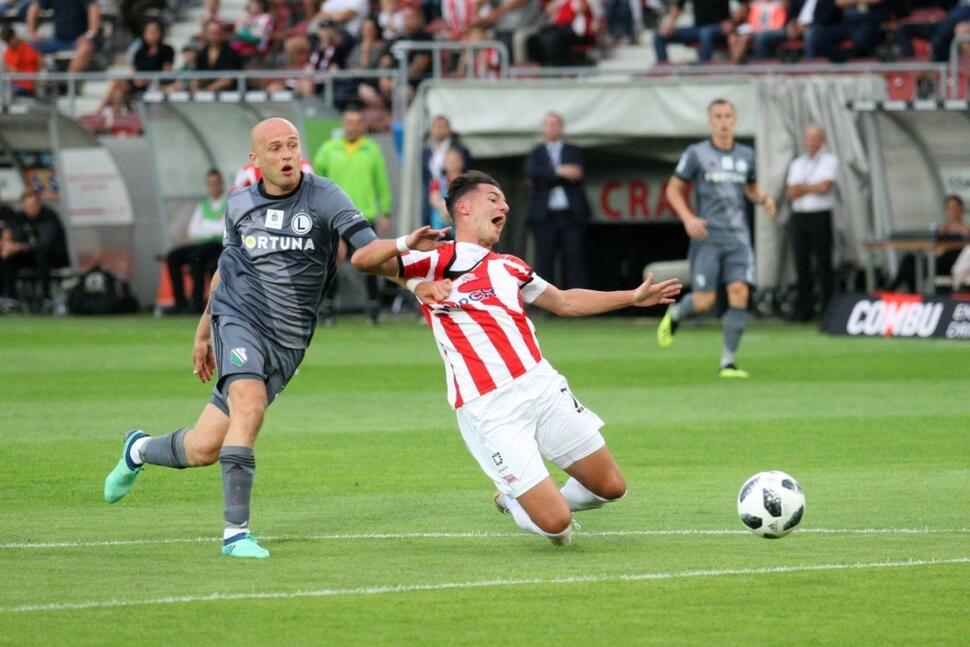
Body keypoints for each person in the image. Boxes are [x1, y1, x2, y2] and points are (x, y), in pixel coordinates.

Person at [102, 117, 448, 559]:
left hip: (289, 339)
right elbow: (226, 269)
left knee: (204, 447)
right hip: (239, 317)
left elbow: (367, 253)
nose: (287, 155)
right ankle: (235, 535)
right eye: (276, 148)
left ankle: (139, 449)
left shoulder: (325, 195)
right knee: (250, 406)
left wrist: (414, 280)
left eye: (292, 146)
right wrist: (204, 330)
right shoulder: (240, 203)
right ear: (256, 159)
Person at [366, 171, 681, 547]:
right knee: (557, 528)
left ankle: (526, 497)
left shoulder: (510, 266)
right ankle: (522, 502)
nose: (505, 206)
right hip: (490, 408)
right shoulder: (435, 260)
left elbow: (564, 301)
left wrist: (630, 298)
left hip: (542, 388)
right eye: (494, 199)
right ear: (463, 208)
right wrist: (408, 256)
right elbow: (363, 259)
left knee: (611, 487)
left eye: (504, 200)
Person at [657, 98, 777, 378]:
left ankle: (728, 362)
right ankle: (676, 315)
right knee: (704, 301)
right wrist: (688, 218)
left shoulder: (746, 155)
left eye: (727, 116)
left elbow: (750, 187)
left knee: (739, 293)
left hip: (738, 239)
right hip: (708, 237)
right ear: (711, 121)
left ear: (734, 120)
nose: (723, 121)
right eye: (718, 117)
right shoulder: (697, 153)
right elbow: (674, 189)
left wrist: (764, 198)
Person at [312, 108, 393, 324]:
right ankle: (328, 309)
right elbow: (317, 182)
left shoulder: (371, 150)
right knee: (332, 262)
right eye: (349, 122)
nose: (353, 126)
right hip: (334, 217)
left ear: (362, 126)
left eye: (357, 122)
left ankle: (374, 309)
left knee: (371, 263)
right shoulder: (329, 149)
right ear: (343, 124)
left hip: (364, 215)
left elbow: (381, 182)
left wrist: (385, 211)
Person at [525, 112, 591, 290]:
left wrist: (546, 176)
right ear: (542, 128)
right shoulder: (536, 152)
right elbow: (532, 173)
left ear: (561, 128)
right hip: (544, 216)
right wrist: (559, 172)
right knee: (544, 259)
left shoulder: (573, 151)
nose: (552, 128)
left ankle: (578, 300)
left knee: (574, 258)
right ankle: (546, 303)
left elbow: (576, 174)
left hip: (570, 215)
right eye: (548, 124)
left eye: (555, 124)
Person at [785, 124, 838, 320]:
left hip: (820, 215)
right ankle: (804, 307)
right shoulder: (797, 163)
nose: (812, 142)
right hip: (800, 216)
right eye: (809, 138)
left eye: (815, 138)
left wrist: (802, 187)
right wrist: (810, 187)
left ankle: (828, 307)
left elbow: (825, 186)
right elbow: (790, 192)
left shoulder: (829, 161)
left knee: (824, 262)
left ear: (822, 140)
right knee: (801, 263)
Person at [165, 169, 227, 315]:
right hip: (201, 244)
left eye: (216, 183)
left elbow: (223, 230)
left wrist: (205, 225)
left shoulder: (228, 203)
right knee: (173, 256)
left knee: (197, 257)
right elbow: (193, 231)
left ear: (221, 184)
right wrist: (213, 225)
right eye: (210, 183)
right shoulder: (203, 205)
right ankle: (180, 303)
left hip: (218, 245)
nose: (213, 186)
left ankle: (197, 303)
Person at [0, 188, 70, 313]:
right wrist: (10, 247)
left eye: (33, 205)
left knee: (41, 254)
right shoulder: (20, 217)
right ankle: (11, 298)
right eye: (27, 206)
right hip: (30, 255)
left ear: (39, 203)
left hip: (54, 256)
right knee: (7, 256)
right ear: (22, 205)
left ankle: (46, 298)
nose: (31, 208)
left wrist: (20, 246)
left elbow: (45, 243)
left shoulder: (49, 216)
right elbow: (16, 237)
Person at [95, 19, 174, 121]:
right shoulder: (140, 52)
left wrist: (147, 80)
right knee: (117, 91)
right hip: (137, 84)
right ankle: (118, 122)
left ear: (160, 32)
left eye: (154, 31)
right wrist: (137, 80)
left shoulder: (167, 50)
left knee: (117, 86)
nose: (151, 34)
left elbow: (166, 73)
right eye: (148, 31)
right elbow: (134, 72)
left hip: (154, 84)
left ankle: (99, 110)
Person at [889, 195, 970, 292]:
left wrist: (947, 247)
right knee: (909, 259)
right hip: (937, 259)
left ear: (961, 209)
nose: (952, 211)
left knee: (916, 267)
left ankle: (900, 291)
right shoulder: (943, 229)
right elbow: (931, 241)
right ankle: (897, 289)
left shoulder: (966, 229)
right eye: (949, 208)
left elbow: (966, 245)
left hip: (953, 262)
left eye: (955, 208)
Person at [653, 0, 748, 64]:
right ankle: (663, 69)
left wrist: (732, 22)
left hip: (719, 29)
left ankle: (703, 69)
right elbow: (678, 6)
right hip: (698, 29)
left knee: (706, 33)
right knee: (659, 34)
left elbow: (745, 4)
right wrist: (669, 23)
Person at [422, 115, 472, 228]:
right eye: (435, 127)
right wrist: (441, 206)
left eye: (442, 126)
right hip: (437, 208)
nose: (438, 130)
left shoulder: (459, 149)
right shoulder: (426, 152)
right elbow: (427, 181)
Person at [26, 0, 100, 74]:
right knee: (31, 45)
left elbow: (93, 8)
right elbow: (34, 6)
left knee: (86, 47)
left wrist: (90, 34)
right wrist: (32, 33)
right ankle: (45, 77)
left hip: (78, 41)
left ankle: (70, 81)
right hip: (58, 39)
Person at [807, 0, 892, 62]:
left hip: (868, 22)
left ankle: (854, 60)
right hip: (844, 22)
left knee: (862, 38)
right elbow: (839, 2)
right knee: (816, 36)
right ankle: (838, 60)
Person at [192, 19, 243, 93]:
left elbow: (228, 80)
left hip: (229, 96)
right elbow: (197, 76)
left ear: (223, 33)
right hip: (206, 96)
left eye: (217, 32)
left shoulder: (231, 53)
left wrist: (206, 91)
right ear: (206, 34)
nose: (214, 35)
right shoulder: (201, 53)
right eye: (211, 32)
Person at [1, 25, 41, 97]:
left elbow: (40, 64)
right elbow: (12, 72)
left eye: (9, 40)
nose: (9, 44)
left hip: (30, 85)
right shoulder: (8, 53)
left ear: (14, 36)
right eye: (6, 42)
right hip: (15, 86)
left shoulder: (30, 46)